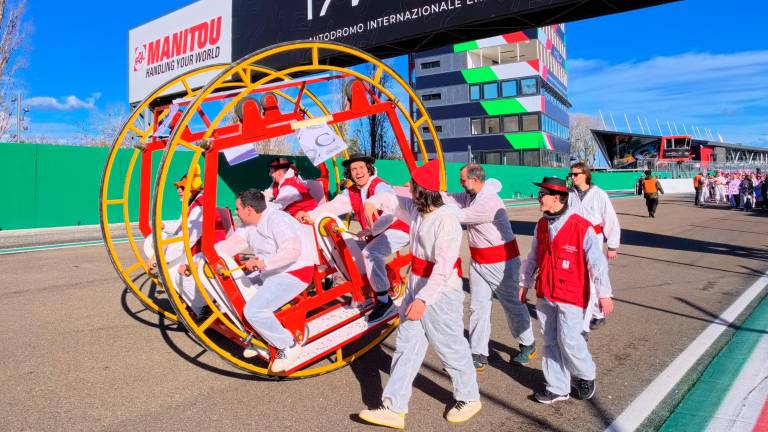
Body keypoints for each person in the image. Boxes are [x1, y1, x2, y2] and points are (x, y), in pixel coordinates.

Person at [357, 159, 481, 428]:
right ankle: (394, 407)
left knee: (449, 346)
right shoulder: (417, 208)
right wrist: (372, 201)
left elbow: (444, 267)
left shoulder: (446, 219)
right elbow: (391, 200)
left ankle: (470, 397)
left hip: (441, 292)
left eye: (412, 186)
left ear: (421, 191)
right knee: (407, 347)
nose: (408, 189)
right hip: (417, 285)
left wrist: (423, 300)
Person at [520, 176, 614, 404]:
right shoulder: (541, 224)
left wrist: (604, 294)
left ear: (557, 198)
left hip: (571, 294)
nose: (539, 198)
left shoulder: (581, 227)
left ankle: (585, 375)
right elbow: (533, 257)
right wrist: (524, 283)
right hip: (546, 292)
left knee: (570, 339)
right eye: (540, 194)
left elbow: (597, 263)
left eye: (542, 195)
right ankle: (557, 387)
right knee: (550, 340)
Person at [441, 163, 535, 371]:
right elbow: (448, 198)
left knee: (512, 305)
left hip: (502, 262)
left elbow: (461, 215)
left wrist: (440, 209)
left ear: (475, 180)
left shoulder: (489, 202)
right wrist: (421, 191)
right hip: (479, 261)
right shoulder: (470, 195)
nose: (460, 183)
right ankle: (478, 353)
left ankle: (527, 342)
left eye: (463, 180)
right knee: (478, 307)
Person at [295, 153, 410, 323]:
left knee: (370, 253)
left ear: (369, 169)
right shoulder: (352, 192)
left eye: (361, 168)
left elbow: (391, 213)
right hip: (376, 234)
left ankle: (385, 302)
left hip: (398, 229)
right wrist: (310, 214)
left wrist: (372, 229)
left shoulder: (379, 186)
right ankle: (364, 292)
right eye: (353, 169)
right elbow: (334, 206)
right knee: (346, 249)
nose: (358, 172)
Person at [214, 189, 316, 372]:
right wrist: (204, 257)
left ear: (249, 209)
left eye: (238, 208)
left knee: (255, 310)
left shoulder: (277, 220)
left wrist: (263, 263)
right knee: (236, 295)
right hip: (272, 272)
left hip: (295, 273)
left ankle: (289, 346)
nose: (236, 211)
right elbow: (231, 245)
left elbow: (292, 251)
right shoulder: (250, 226)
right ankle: (262, 338)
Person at [155, 165, 228, 318]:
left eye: (182, 187)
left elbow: (185, 240)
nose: (178, 190)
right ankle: (200, 304)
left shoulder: (199, 208)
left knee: (172, 274)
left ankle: (205, 307)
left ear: (193, 187)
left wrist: (161, 258)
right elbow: (180, 227)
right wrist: (163, 226)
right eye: (178, 187)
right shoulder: (195, 204)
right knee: (170, 270)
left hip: (210, 255)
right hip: (202, 252)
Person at [567, 162, 620, 332]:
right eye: (571, 174)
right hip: (574, 239)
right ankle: (585, 311)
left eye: (576, 174)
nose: (573, 177)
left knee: (594, 273)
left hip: (594, 238)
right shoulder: (570, 195)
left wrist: (612, 245)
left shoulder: (599, 194)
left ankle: (597, 313)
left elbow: (610, 219)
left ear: (585, 175)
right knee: (578, 275)